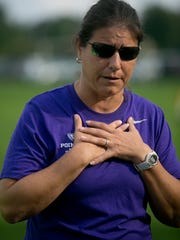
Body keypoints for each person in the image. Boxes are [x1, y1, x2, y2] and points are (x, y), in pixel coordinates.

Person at [0, 0, 180, 239]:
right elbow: (10, 208)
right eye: (103, 50)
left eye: (128, 53)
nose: (115, 64)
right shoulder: (42, 111)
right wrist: (76, 158)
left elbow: (175, 215)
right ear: (79, 48)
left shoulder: (151, 116)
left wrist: (143, 156)